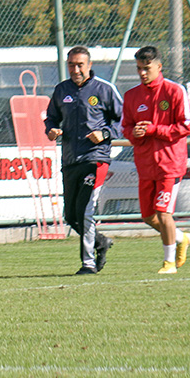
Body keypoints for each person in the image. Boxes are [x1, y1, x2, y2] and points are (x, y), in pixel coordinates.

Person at [45, 46, 124, 275]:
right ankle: (100, 242)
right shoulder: (62, 90)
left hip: (95, 159)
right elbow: (51, 118)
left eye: (80, 65)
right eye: (72, 65)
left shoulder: (104, 89)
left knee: (86, 210)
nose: (76, 69)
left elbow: (124, 119)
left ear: (89, 66)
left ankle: (88, 263)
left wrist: (106, 134)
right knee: (70, 215)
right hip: (70, 160)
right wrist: (51, 130)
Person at [122, 45, 190, 274]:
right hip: (145, 165)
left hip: (169, 163)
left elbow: (185, 125)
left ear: (159, 67)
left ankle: (169, 262)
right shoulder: (132, 96)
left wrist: (154, 130)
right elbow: (126, 127)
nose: (143, 73)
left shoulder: (174, 91)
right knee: (148, 216)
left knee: (164, 213)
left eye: (147, 68)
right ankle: (182, 238)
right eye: (139, 69)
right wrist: (134, 133)